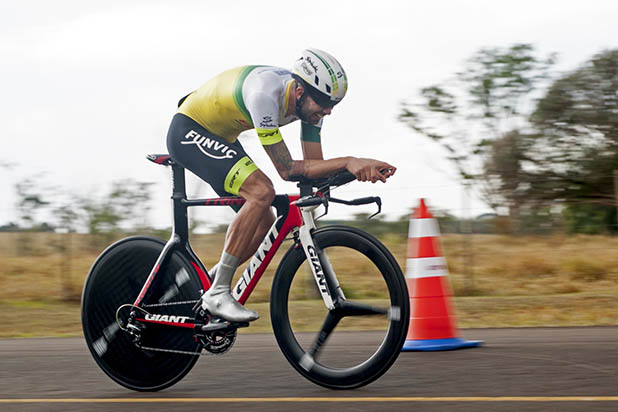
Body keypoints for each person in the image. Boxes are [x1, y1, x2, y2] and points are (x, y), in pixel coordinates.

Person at [166, 48, 396, 323]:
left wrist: (356, 170)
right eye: (324, 102)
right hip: (189, 130)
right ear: (299, 91)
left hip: (221, 136)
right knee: (262, 192)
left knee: (264, 220)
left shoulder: (311, 108)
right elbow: (287, 170)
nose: (328, 111)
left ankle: (206, 282)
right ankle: (218, 293)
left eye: (333, 103)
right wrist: (348, 161)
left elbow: (313, 168)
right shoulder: (265, 96)